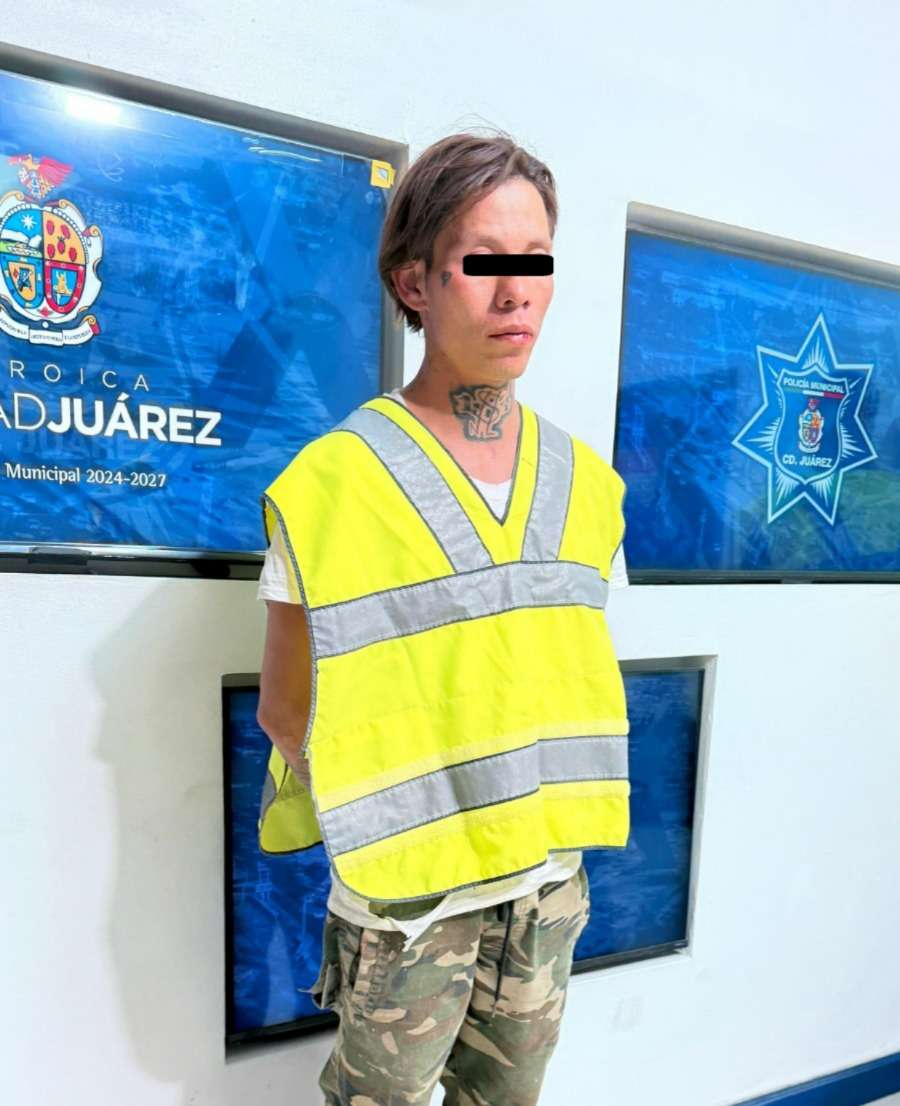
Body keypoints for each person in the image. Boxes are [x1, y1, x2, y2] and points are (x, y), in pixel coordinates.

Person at [256, 129, 630, 1106]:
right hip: (409, 904)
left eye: (536, 262)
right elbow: (286, 709)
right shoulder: (332, 485)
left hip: (546, 889)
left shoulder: (588, 486)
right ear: (413, 282)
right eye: (482, 262)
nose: (517, 294)